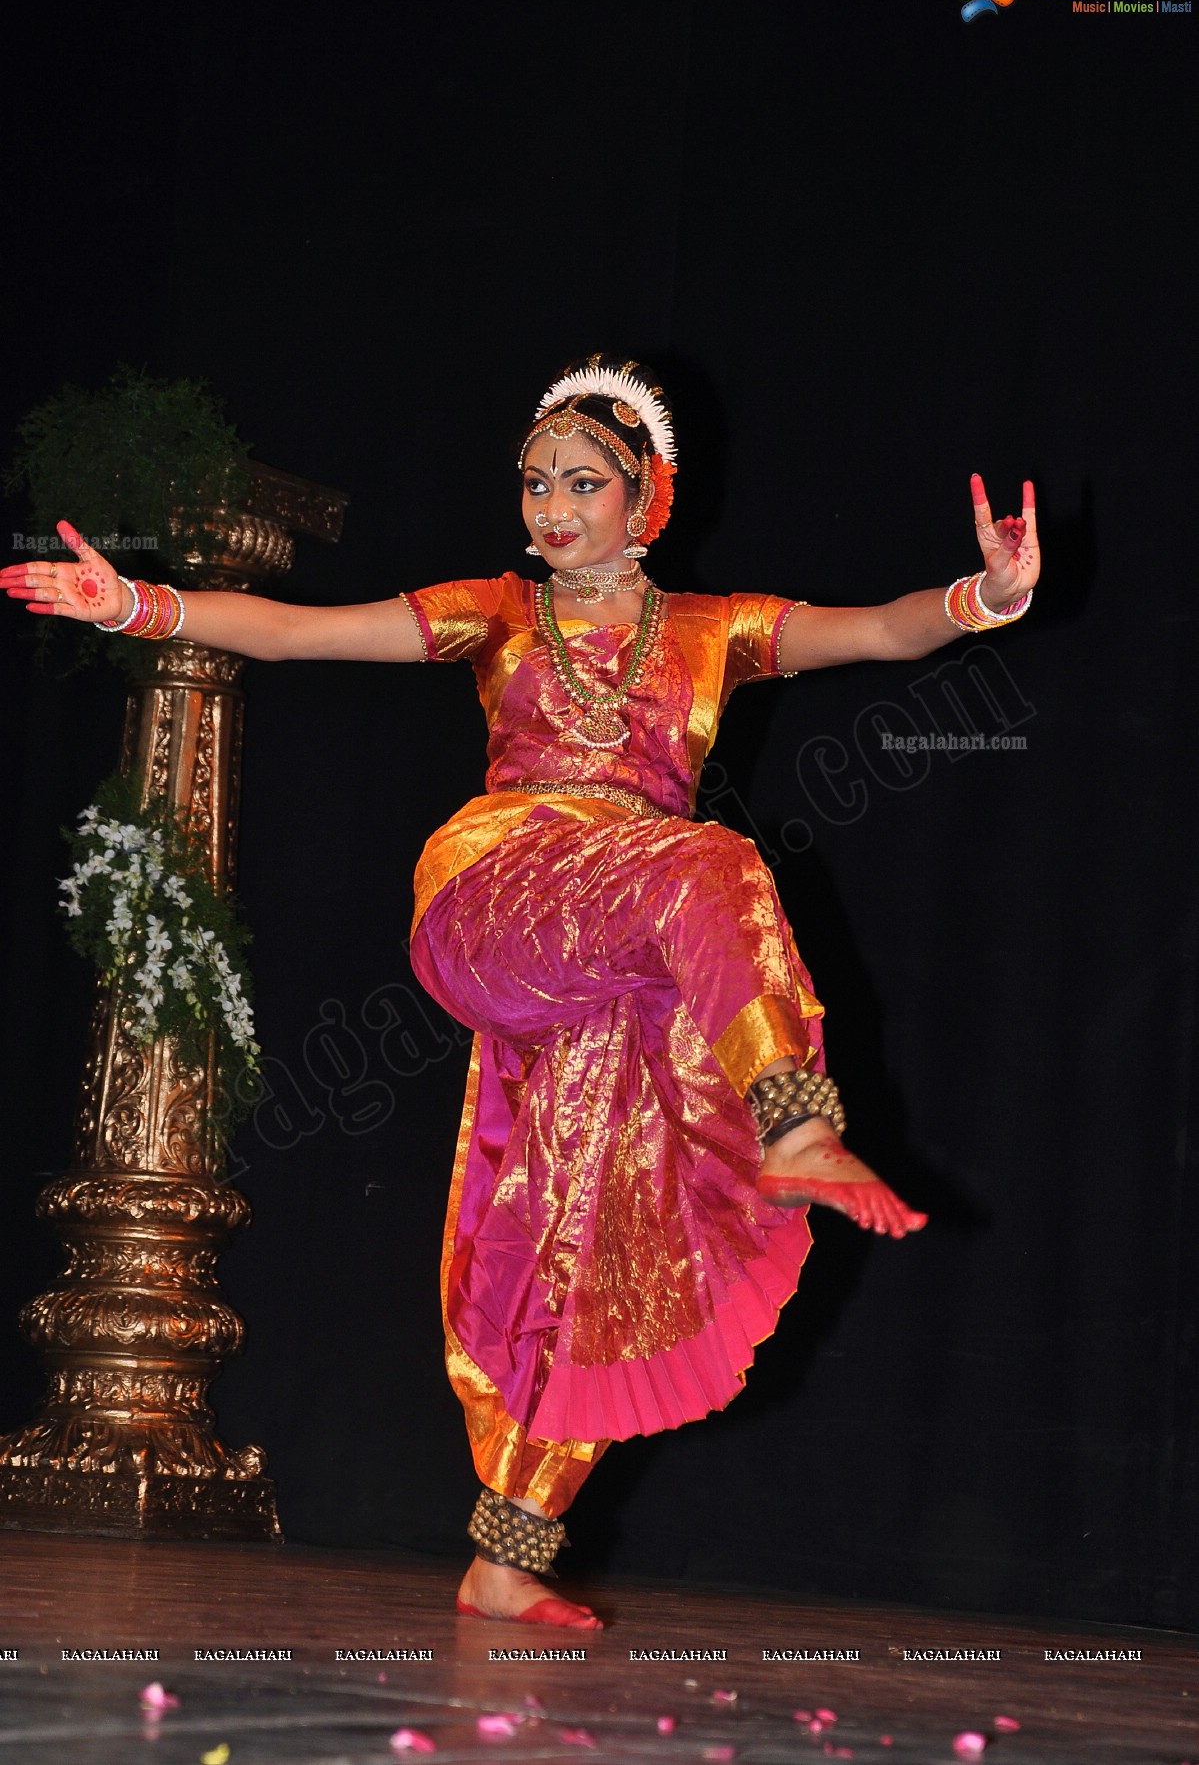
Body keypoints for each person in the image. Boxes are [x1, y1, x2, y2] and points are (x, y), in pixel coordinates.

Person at [1, 355, 1039, 1629]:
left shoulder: (716, 632)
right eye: (534, 481)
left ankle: (508, 1552)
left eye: (580, 483)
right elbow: (300, 631)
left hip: (624, 957)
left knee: (586, 1237)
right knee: (714, 858)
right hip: (500, 891)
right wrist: (138, 609)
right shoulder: (493, 610)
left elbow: (883, 629)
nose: (549, 506)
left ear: (644, 501)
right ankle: (795, 1122)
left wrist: (982, 596)